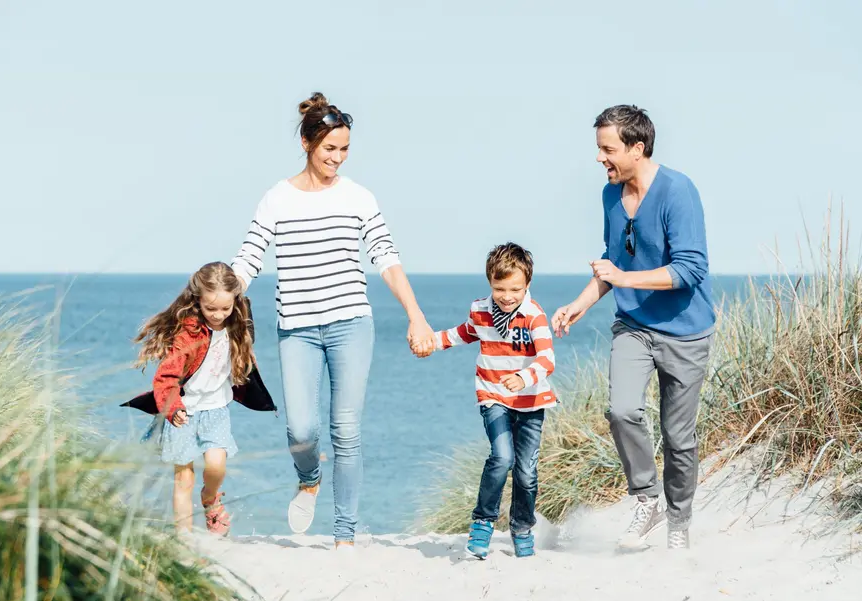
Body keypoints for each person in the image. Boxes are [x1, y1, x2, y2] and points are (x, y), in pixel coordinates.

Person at [229, 92, 435, 550]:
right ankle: (309, 478)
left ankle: (345, 535)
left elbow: (387, 257)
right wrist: (221, 299)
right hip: (297, 329)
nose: (336, 159)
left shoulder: (358, 197)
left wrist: (416, 316)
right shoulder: (277, 198)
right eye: (329, 149)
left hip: (350, 325)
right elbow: (248, 259)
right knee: (301, 430)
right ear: (306, 143)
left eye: (344, 150)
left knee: (346, 429)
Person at [551, 105, 715, 550]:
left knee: (679, 438)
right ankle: (647, 499)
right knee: (622, 410)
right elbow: (612, 262)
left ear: (636, 147)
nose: (600, 158)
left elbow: (689, 269)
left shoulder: (679, 192)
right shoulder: (610, 195)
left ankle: (678, 524)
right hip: (634, 326)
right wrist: (580, 304)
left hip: (686, 332)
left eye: (607, 149)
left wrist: (625, 278)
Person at [421, 242, 556, 559]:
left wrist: (523, 377)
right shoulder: (480, 311)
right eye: (500, 288)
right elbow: (463, 333)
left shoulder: (534, 316)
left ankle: (522, 528)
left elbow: (547, 359)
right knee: (501, 457)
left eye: (515, 289)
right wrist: (431, 342)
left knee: (526, 472)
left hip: (531, 401)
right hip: (493, 394)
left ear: (527, 286)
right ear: (490, 284)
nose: (507, 296)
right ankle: (483, 522)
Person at [134, 261, 256, 537]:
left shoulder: (237, 323)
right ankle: (185, 538)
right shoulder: (188, 332)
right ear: (197, 300)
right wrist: (172, 407)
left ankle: (211, 500)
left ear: (234, 302)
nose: (217, 315)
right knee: (183, 478)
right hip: (183, 412)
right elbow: (166, 377)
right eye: (210, 308)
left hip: (216, 409)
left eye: (225, 308)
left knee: (216, 466)